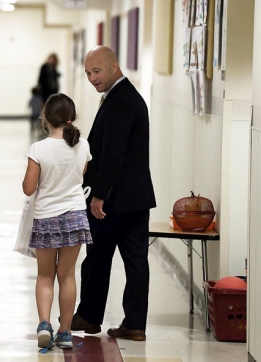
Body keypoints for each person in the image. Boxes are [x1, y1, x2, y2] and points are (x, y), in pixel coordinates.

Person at [71, 46, 156, 341]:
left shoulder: (120, 102)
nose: (92, 78)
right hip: (136, 200)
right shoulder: (129, 97)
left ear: (114, 66)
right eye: (88, 73)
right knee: (136, 263)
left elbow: (113, 155)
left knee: (96, 258)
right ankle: (135, 324)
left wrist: (99, 195)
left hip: (113, 202)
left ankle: (89, 316)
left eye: (97, 71)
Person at [22, 93, 93, 351]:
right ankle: (65, 332)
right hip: (75, 215)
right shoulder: (82, 145)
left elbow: (29, 188)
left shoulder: (39, 149)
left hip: (46, 217)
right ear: (71, 117)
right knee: (67, 276)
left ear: (45, 118)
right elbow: (81, 175)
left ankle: (44, 325)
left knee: (45, 275)